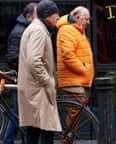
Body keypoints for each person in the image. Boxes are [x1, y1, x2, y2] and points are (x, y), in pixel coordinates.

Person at [17, 0, 62, 143]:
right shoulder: (39, 31)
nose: (58, 17)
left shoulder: (35, 28)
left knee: (34, 129)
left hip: (33, 89)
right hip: (38, 89)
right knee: (47, 128)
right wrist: (47, 81)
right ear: (48, 16)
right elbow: (34, 60)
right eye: (56, 14)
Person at [56, 6, 94, 144]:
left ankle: (68, 139)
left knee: (76, 111)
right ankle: (66, 140)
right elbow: (68, 56)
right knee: (75, 109)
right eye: (86, 19)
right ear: (77, 17)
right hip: (73, 79)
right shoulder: (67, 30)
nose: (88, 22)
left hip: (79, 79)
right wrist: (84, 69)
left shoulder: (78, 30)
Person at [4, 2, 37, 144]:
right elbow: (12, 58)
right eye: (37, 15)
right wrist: (27, 69)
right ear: (28, 16)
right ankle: (7, 141)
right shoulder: (20, 31)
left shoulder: (25, 29)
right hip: (21, 78)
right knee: (19, 111)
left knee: (20, 111)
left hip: (24, 77)